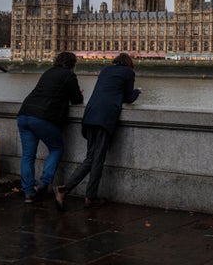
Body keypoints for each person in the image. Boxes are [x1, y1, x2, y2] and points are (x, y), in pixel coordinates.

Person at [54, 52, 141, 209]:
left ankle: (89, 196)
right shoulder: (129, 72)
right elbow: (128, 97)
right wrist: (137, 92)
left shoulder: (105, 70)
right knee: (95, 159)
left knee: (93, 157)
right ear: (129, 63)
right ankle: (65, 189)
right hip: (104, 117)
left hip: (90, 114)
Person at [17, 51, 84, 203]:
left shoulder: (48, 72)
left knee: (28, 156)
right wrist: (77, 93)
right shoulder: (69, 75)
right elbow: (77, 99)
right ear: (72, 65)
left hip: (24, 114)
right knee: (56, 148)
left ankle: (28, 193)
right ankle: (44, 183)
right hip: (42, 118)